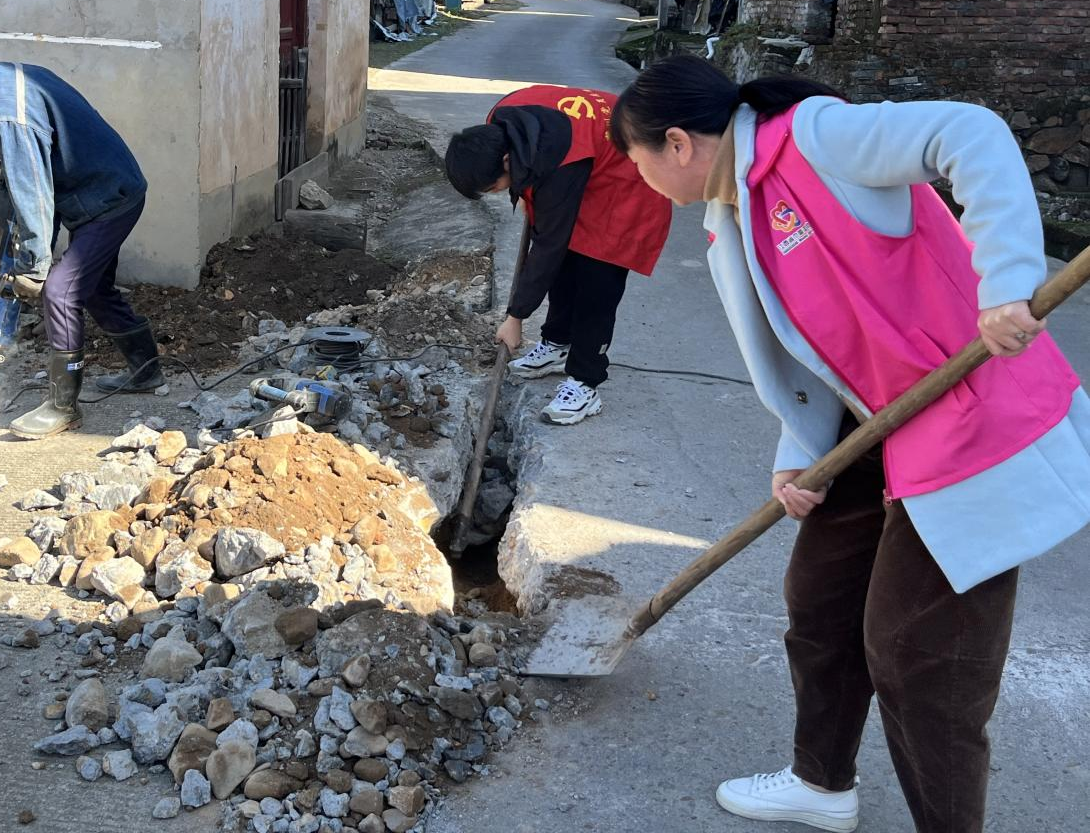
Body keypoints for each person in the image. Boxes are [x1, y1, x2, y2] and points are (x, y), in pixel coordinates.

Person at [610, 55, 1090, 833]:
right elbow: (809, 354)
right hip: (877, 424)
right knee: (821, 608)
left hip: (968, 420)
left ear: (675, 144)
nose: (642, 183)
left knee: (918, 655)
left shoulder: (815, 138)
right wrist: (798, 452)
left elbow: (970, 131)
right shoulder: (732, 216)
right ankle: (822, 784)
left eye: (637, 165)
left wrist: (1005, 280)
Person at [0, 43, 166, 439]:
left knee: (60, 292)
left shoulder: (10, 112)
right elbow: (21, 182)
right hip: (102, 189)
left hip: (108, 198)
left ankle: (63, 408)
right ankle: (147, 371)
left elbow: (33, 191)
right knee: (94, 288)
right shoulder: (6, 78)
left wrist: (31, 264)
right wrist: (8, 252)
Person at [445, 85, 672, 424]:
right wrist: (521, 191)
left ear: (506, 160)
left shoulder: (559, 155)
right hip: (591, 167)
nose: (498, 193)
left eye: (495, 187)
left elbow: (548, 245)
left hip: (631, 179)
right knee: (565, 265)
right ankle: (557, 343)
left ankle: (585, 381)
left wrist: (515, 318)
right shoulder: (500, 118)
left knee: (597, 280)